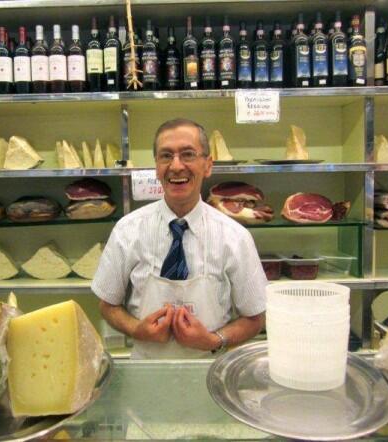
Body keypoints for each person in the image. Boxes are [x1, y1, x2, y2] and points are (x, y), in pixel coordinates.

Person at [91, 118, 267, 358]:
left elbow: (255, 318)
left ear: (208, 165)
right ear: (156, 167)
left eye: (188, 154)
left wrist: (214, 340)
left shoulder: (235, 237)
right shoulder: (127, 230)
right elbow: (107, 305)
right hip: (147, 371)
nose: (175, 166)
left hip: (209, 371)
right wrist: (136, 330)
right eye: (166, 156)